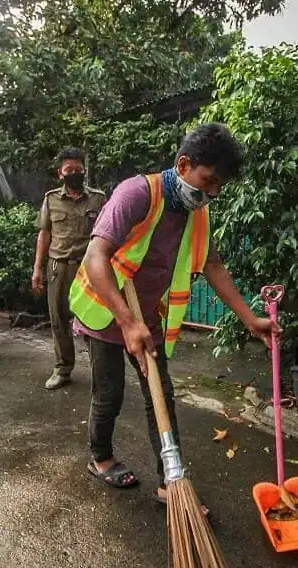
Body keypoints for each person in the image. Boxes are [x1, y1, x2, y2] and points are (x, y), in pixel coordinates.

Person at [69, 123, 279, 511]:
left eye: (219, 187)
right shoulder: (137, 193)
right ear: (184, 164)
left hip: (146, 316)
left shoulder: (196, 209)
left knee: (160, 395)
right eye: (208, 181)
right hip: (104, 310)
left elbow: (212, 265)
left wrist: (251, 319)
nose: (212, 193)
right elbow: (95, 257)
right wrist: (126, 322)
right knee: (109, 394)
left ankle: (171, 482)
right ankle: (100, 457)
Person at [32, 147, 107, 390]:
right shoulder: (50, 199)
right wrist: (37, 269)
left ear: (84, 171)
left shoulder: (98, 198)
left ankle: (100, 370)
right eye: (69, 170)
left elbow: (108, 232)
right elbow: (44, 234)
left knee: (93, 319)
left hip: (89, 268)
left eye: (78, 169)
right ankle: (63, 369)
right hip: (59, 267)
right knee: (58, 319)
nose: (74, 173)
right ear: (60, 173)